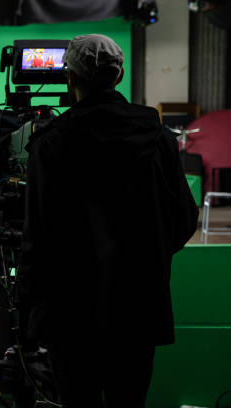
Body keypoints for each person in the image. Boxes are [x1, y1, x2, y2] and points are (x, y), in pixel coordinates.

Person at [19, 34, 198, 407]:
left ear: (71, 79)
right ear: (118, 77)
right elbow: (184, 220)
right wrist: (147, 258)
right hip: (139, 309)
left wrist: (29, 320)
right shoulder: (159, 137)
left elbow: (36, 238)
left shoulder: (51, 143)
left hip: (70, 314)